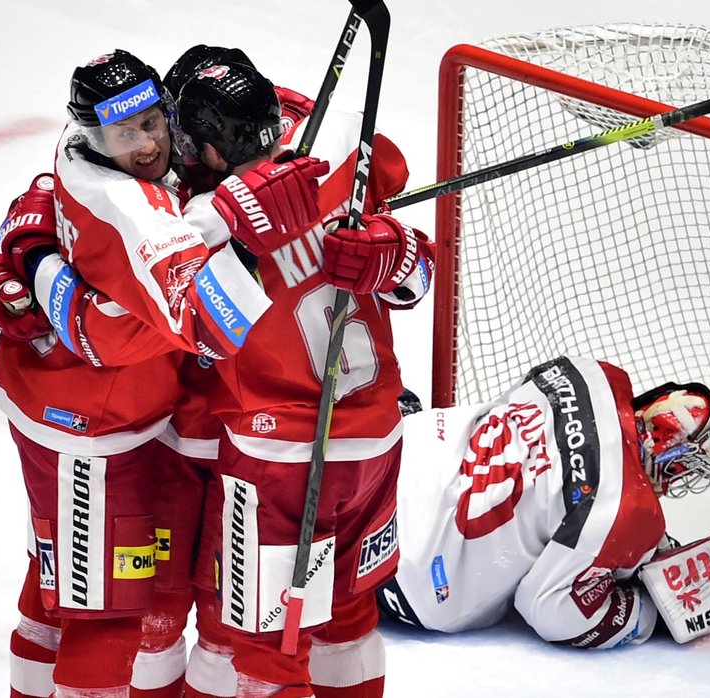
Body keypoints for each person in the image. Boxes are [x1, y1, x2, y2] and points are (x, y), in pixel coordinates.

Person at [25, 52, 435, 697]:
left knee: (243, 645)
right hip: (351, 433)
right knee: (326, 622)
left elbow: (189, 318)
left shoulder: (195, 220)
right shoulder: (328, 164)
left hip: (263, 452)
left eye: (166, 127)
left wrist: (395, 255)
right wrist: (399, 253)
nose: (156, 145)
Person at [0, 49, 327, 698]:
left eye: (154, 125)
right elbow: (161, 322)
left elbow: (341, 161)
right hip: (118, 430)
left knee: (211, 624)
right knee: (118, 617)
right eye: (124, 133)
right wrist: (14, 257)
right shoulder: (130, 194)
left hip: (212, 434)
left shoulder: (240, 130)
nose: (145, 143)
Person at [375, 355, 710, 649]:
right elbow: (550, 612)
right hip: (405, 572)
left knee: (380, 390)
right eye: (684, 468)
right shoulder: (629, 512)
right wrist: (646, 611)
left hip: (392, 454)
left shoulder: (588, 372)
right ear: (670, 457)